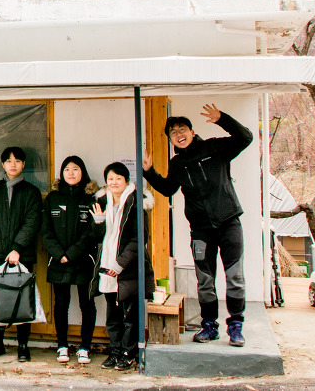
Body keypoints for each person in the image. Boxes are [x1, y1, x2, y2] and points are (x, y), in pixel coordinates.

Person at [142, 104, 253, 346]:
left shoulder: (214, 148)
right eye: (173, 132)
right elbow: (168, 189)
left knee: (235, 276)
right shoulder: (177, 163)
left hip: (229, 222)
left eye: (182, 129)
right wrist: (149, 172)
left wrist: (222, 118)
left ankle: (236, 325)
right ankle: (209, 325)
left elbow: (246, 138)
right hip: (201, 230)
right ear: (170, 139)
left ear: (192, 132)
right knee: (205, 279)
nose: (178, 134)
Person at [0, 147, 42, 361]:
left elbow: (32, 222)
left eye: (17, 161)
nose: (13, 164)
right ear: (2, 164)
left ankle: (23, 345)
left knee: (23, 297)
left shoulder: (31, 192)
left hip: (22, 254)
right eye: (9, 161)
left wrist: (17, 248)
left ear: (23, 164)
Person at [90, 162, 155, 371]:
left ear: (126, 181)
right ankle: (115, 352)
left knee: (129, 316)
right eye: (110, 178)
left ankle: (128, 353)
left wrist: (120, 263)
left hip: (128, 268)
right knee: (113, 316)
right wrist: (98, 222)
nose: (114, 182)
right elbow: (97, 238)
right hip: (107, 267)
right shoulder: (102, 202)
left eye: (119, 178)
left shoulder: (136, 202)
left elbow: (139, 239)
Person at [41, 156, 99, 364]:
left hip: (83, 259)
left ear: (82, 172)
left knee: (87, 303)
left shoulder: (90, 198)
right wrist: (59, 254)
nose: (71, 173)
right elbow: (46, 231)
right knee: (61, 303)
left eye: (75, 169)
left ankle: (85, 347)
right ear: (61, 173)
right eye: (67, 169)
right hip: (58, 260)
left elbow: (91, 232)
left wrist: (72, 253)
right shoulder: (52, 198)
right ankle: (62, 345)